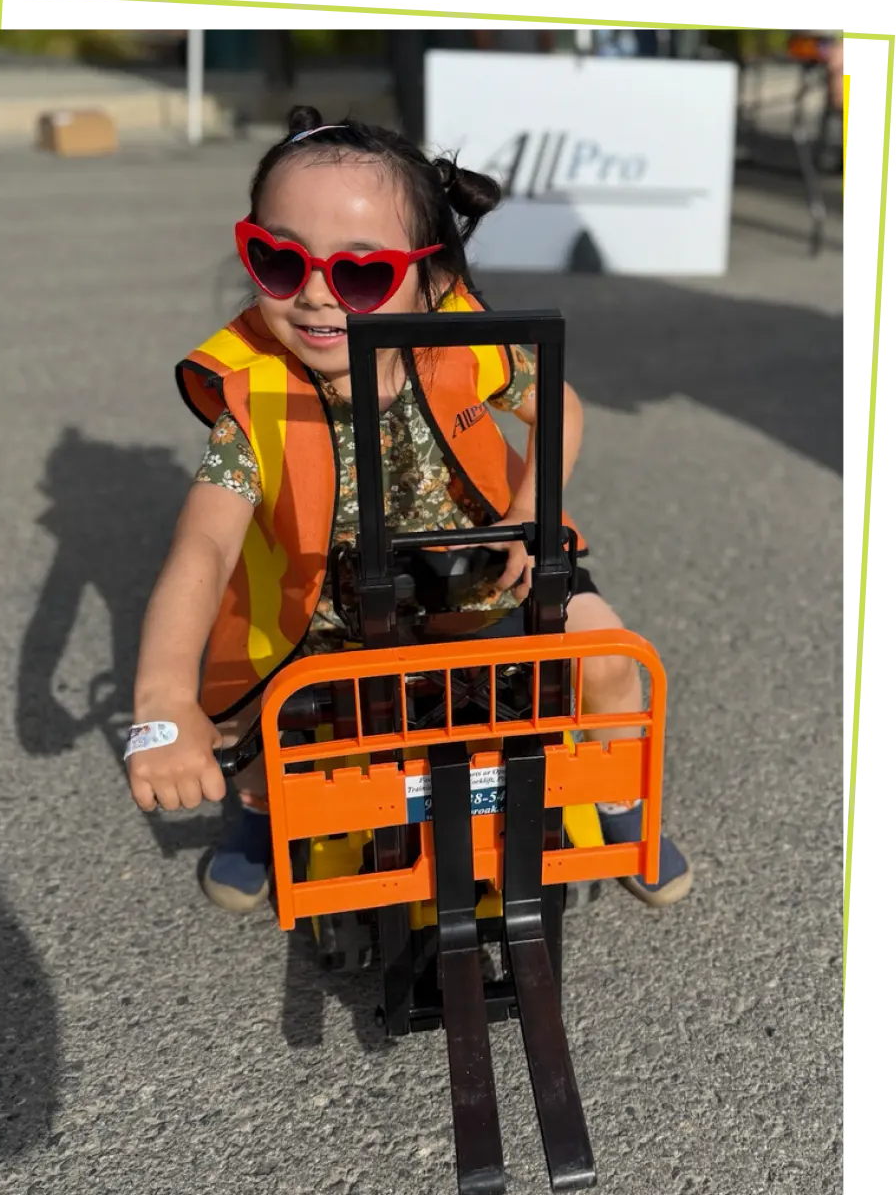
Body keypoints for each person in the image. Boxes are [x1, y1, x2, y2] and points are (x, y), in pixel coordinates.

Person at [126, 105, 693, 915]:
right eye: (279, 261)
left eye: (360, 274)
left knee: (612, 664)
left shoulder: (457, 341)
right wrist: (160, 705)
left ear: (431, 279)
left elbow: (560, 404)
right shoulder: (254, 400)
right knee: (245, 710)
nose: (318, 296)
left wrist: (536, 509)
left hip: (493, 569)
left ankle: (614, 799)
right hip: (326, 611)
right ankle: (255, 810)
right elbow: (202, 550)